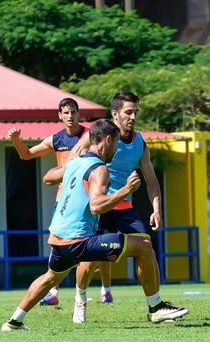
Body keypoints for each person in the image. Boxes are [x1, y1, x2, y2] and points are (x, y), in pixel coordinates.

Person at [1, 119, 188, 332]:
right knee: (144, 246)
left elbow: (47, 177)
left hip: (58, 239)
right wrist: (125, 191)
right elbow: (96, 206)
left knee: (50, 277)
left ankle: (14, 321)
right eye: (116, 143)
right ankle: (156, 307)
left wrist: (68, 171)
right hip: (79, 241)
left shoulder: (76, 163)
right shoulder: (100, 169)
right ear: (107, 140)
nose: (117, 148)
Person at [45, 91, 163, 323]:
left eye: (135, 112)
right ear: (115, 113)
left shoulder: (140, 143)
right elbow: (75, 159)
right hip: (99, 207)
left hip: (125, 209)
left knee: (146, 246)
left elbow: (151, 180)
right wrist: (65, 185)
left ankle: (156, 306)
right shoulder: (97, 135)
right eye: (128, 112)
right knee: (88, 263)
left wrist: (156, 208)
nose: (133, 117)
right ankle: (80, 299)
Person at [6, 98, 101, 306]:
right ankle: (53, 291)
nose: (70, 116)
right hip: (64, 200)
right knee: (57, 244)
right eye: (66, 112)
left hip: (87, 198)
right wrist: (16, 140)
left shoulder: (90, 136)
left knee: (87, 243)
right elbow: (27, 155)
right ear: (60, 115)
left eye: (73, 112)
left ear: (79, 114)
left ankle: (83, 292)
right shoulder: (56, 139)